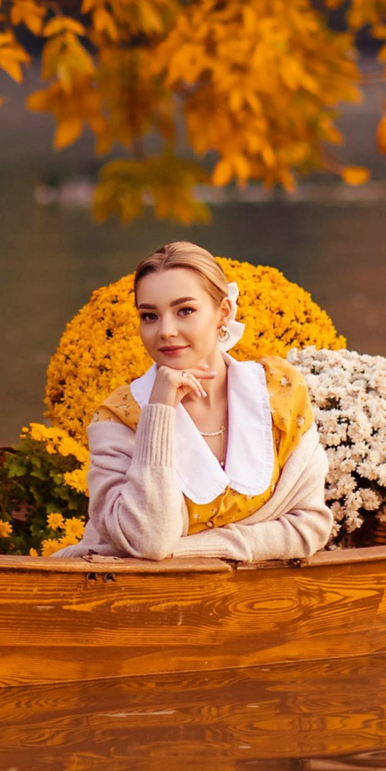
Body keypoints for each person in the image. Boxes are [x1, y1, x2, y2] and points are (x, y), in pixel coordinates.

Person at [56, 241, 334, 562]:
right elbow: (150, 541)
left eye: (185, 311)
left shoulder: (279, 391)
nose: (166, 331)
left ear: (223, 313)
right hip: (133, 590)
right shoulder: (118, 417)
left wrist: (191, 550)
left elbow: (309, 526)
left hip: (260, 592)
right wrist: (159, 410)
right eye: (150, 316)